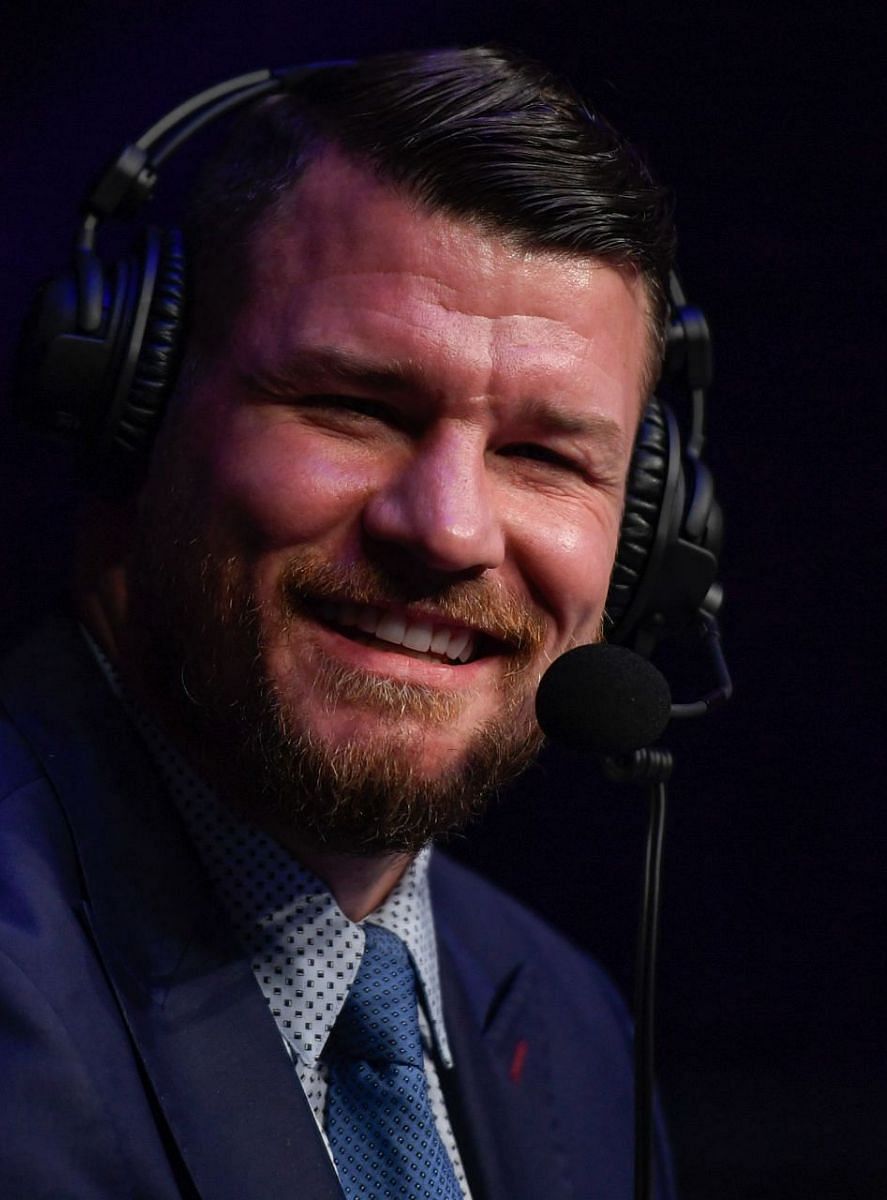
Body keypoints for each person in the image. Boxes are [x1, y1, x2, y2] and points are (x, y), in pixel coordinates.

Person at [0, 49, 671, 1198]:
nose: (449, 529)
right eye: (354, 406)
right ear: (136, 403)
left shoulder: (574, 1027)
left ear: (651, 535)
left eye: (544, 456)